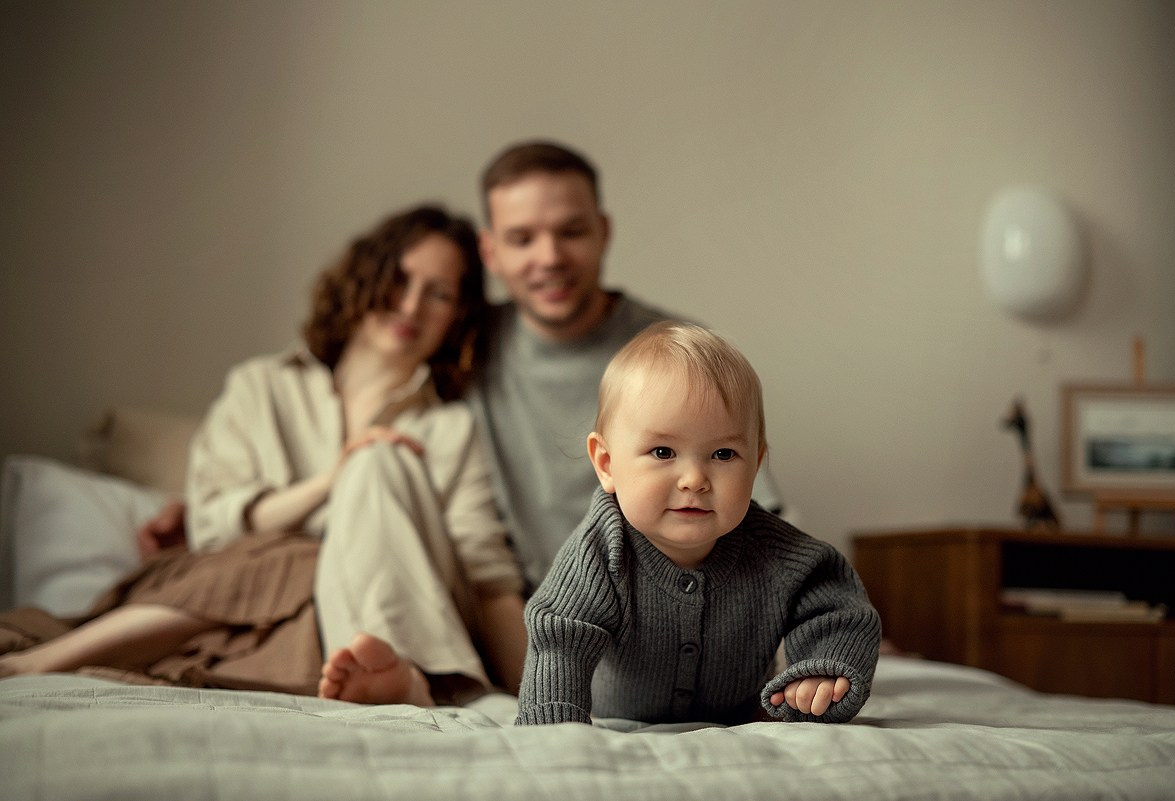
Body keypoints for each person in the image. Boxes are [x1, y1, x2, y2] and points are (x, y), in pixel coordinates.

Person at [0, 205, 528, 705]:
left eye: (438, 294)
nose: (410, 306)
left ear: (457, 316)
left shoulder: (451, 427)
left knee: (379, 463)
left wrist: (541, 694)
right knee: (303, 551)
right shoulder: (260, 387)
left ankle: (400, 665)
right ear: (365, 276)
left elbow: (486, 575)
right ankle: (384, 673)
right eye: (399, 278)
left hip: (389, 622)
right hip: (254, 623)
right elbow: (215, 527)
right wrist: (330, 483)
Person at [515, 322, 881, 726]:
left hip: (741, 718)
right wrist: (554, 725)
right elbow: (560, 637)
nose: (694, 479)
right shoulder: (603, 548)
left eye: (723, 454)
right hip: (620, 718)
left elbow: (840, 610)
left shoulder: (780, 554)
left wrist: (824, 669)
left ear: (755, 464)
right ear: (606, 464)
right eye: (662, 451)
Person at [469, 140, 791, 590]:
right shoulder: (465, 348)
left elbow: (759, 513)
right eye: (522, 239)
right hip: (521, 612)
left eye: (572, 232)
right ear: (490, 252)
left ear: (604, 231)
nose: (550, 257)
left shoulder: (677, 351)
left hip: (666, 607)